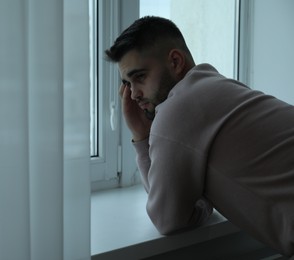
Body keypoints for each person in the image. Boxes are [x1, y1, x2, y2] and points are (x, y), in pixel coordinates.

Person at [105, 16, 294, 258]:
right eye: (127, 83)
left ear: (175, 61)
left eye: (139, 77)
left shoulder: (177, 110)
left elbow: (167, 219)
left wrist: (142, 138)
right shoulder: (216, 85)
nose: (133, 95)